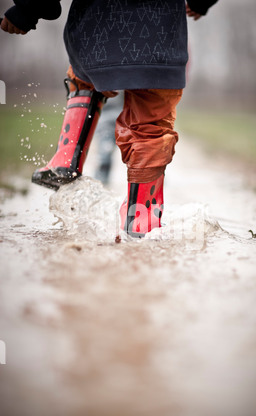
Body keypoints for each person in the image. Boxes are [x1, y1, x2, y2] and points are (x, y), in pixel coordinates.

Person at [1, 0, 218, 238]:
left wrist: (27, 9)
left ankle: (66, 158)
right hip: (159, 38)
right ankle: (142, 220)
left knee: (83, 80)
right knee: (151, 124)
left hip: (99, 27)